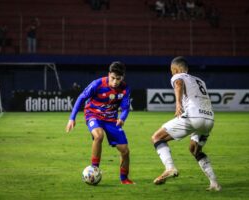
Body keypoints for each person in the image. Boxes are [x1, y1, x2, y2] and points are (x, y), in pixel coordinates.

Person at [151, 56, 221, 191]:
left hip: (194, 117)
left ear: (175, 69)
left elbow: (178, 84)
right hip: (209, 120)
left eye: (172, 71)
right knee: (195, 150)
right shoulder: (200, 80)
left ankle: (170, 168)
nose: (172, 74)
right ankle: (214, 183)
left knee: (157, 137)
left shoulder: (178, 76)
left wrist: (177, 103)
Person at [65, 61, 135, 185]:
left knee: (125, 151)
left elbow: (125, 108)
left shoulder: (125, 89)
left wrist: (122, 118)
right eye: (112, 78)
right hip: (93, 114)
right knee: (98, 135)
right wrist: (72, 118)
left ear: (122, 77)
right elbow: (81, 97)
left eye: (118, 79)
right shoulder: (97, 84)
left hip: (111, 119)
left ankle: (124, 179)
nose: (115, 82)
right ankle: (94, 169)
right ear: (109, 74)